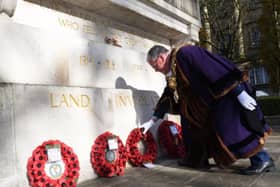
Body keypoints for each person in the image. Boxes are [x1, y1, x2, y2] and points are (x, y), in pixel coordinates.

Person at [139, 44, 275, 175]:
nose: (156, 70)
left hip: (224, 97)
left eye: (155, 66)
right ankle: (196, 160)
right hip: (203, 108)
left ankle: (262, 159)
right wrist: (153, 120)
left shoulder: (186, 53)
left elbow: (215, 69)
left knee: (234, 131)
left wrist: (239, 92)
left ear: (161, 58)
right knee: (191, 129)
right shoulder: (173, 71)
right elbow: (168, 95)